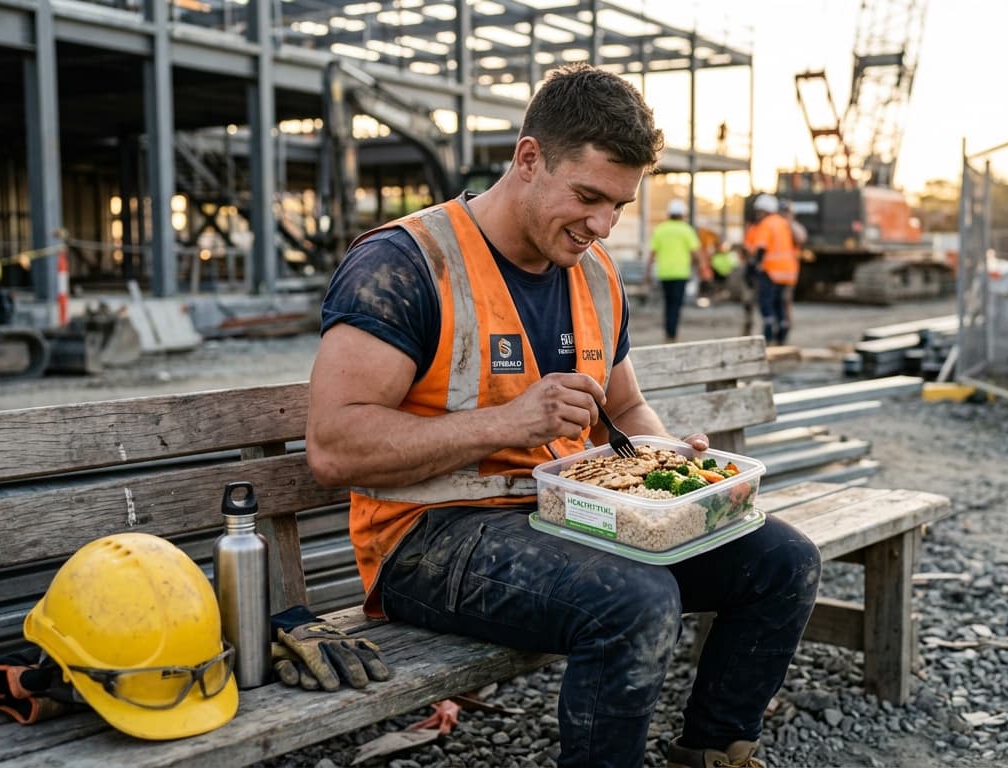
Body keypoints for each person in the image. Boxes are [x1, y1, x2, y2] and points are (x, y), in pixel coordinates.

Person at [305, 63, 821, 768]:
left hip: (567, 517)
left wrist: (671, 459)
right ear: (528, 159)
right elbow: (334, 449)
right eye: (587, 196)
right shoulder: (406, 263)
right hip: (426, 539)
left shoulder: (594, 271)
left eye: (619, 206)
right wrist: (508, 423)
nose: (602, 224)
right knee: (637, 600)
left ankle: (712, 750)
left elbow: (627, 407)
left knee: (783, 560)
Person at [743, 194, 802, 345]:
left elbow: (761, 248)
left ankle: (769, 332)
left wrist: (751, 269)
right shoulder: (784, 223)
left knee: (766, 302)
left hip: (771, 270)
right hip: (788, 272)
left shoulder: (766, 224)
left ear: (764, 210)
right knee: (780, 303)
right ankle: (782, 332)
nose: (757, 214)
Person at [646, 199, 702, 342]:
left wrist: (647, 272)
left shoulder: (660, 229)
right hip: (680, 274)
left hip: (664, 273)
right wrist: (702, 267)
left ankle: (669, 331)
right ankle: (672, 333)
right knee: (676, 304)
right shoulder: (686, 230)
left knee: (668, 303)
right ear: (683, 214)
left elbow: (652, 253)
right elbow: (695, 252)